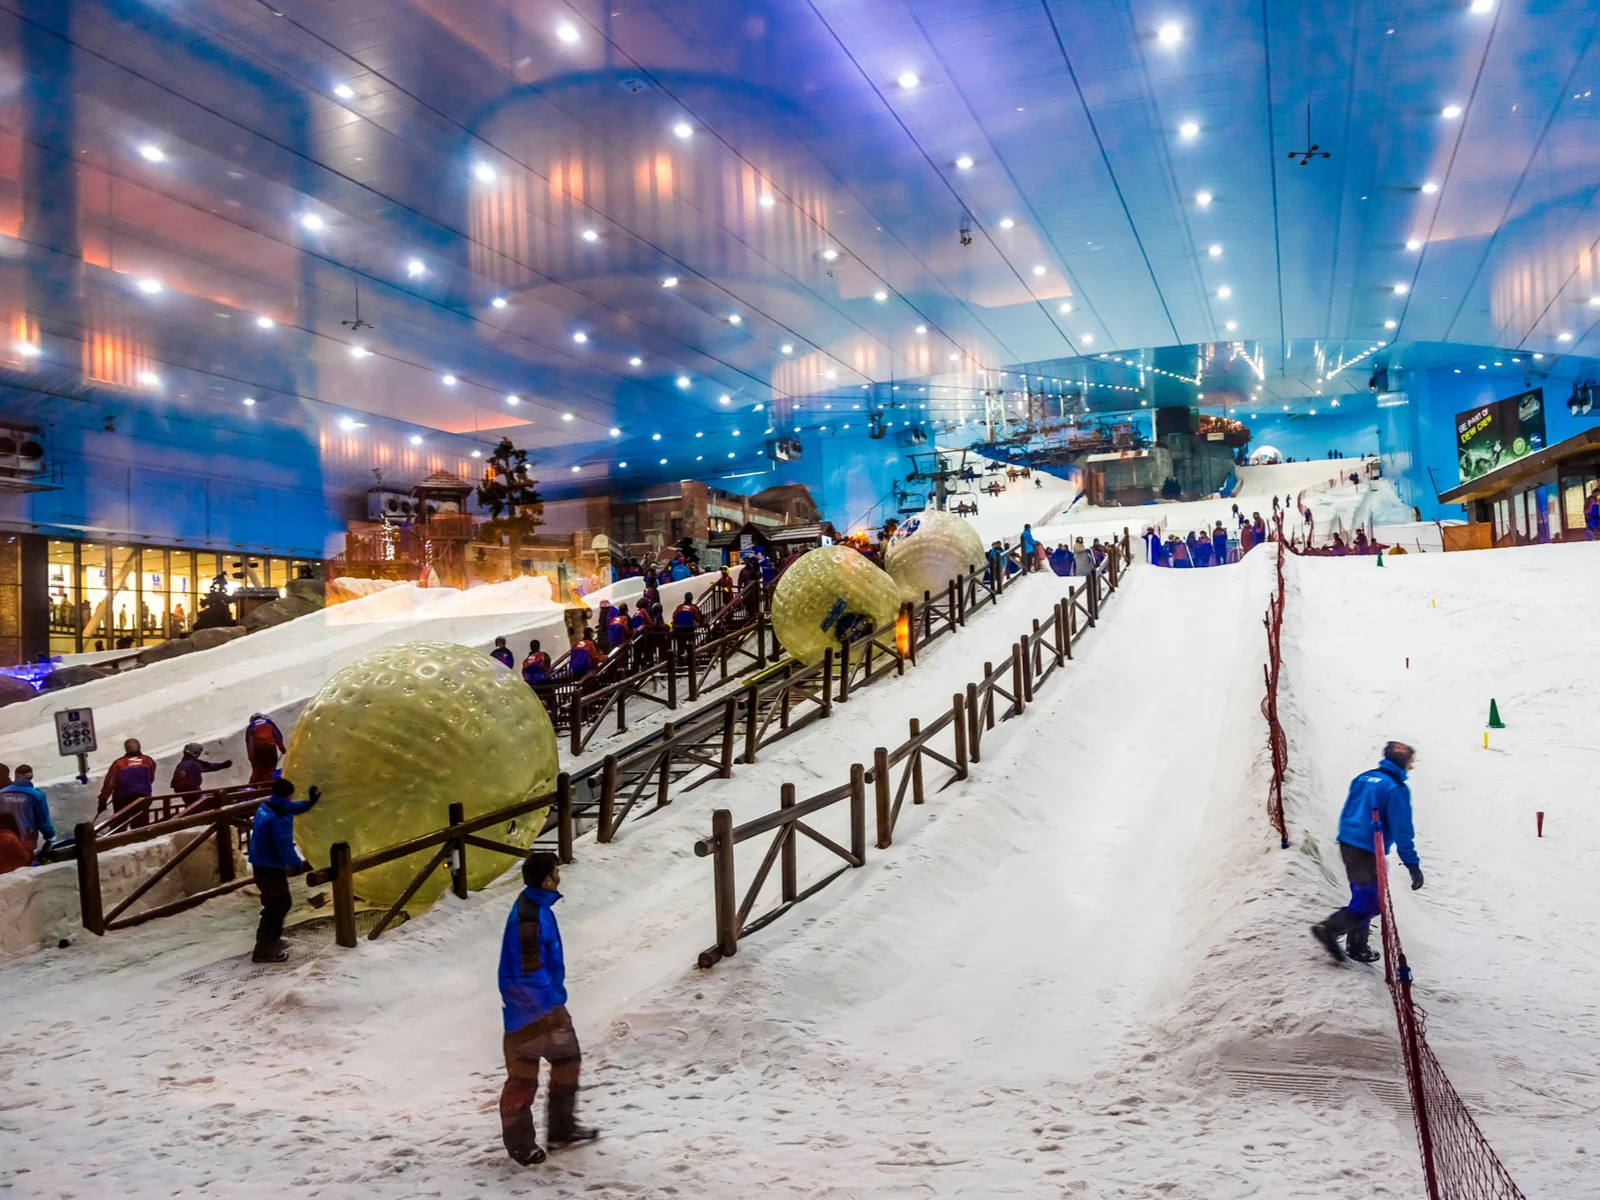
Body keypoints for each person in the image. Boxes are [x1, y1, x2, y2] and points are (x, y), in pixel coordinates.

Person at [498, 851, 598, 1164]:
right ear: (547, 880)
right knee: (523, 1079)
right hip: (531, 1013)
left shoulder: (537, 905)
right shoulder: (528, 918)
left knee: (568, 1062)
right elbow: (527, 972)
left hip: (546, 1006)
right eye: (557, 872)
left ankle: (562, 1131)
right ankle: (520, 1144)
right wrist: (549, 1009)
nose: (559, 877)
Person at [1312, 742, 1422, 964]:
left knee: (1362, 895)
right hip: (1368, 849)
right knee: (1373, 902)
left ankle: (1357, 946)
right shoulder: (1395, 788)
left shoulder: (1364, 777)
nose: (1412, 766)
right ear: (1403, 762)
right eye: (1412, 762)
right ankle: (1329, 928)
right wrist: (1412, 865)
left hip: (1348, 842)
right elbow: (1403, 831)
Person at [246, 778, 321, 963]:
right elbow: (284, 846)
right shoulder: (277, 818)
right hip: (269, 867)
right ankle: (264, 951)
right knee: (278, 905)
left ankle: (270, 940)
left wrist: (309, 803)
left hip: (262, 864)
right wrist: (296, 864)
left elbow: (291, 808)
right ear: (289, 794)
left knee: (275, 904)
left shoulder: (269, 806)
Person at [0, 766, 54, 863]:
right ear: (31, 776)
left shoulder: (1, 794)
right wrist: (50, 837)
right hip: (26, 839)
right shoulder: (36, 795)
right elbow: (43, 821)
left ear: (15, 776)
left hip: (4, 839)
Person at [98, 738, 158, 825]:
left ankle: (121, 836)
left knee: (120, 824)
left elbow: (109, 783)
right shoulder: (148, 761)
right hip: (143, 798)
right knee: (140, 824)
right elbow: (151, 778)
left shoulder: (118, 763)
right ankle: (141, 837)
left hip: (122, 799)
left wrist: (102, 801)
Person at [245, 713, 286, 784]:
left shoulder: (251, 726)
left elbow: (250, 744)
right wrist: (282, 749)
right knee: (270, 769)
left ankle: (252, 789)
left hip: (258, 750)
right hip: (270, 748)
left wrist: (251, 757)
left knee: (257, 770)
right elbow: (278, 737)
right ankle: (268, 787)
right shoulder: (270, 722)